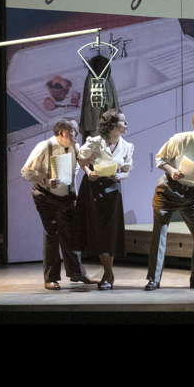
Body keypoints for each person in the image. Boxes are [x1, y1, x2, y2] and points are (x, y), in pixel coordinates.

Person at [144, 108, 194, 291]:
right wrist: (172, 171)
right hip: (168, 192)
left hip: (191, 194)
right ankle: (153, 279)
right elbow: (160, 159)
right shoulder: (180, 139)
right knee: (160, 233)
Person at [20, 119, 97, 290]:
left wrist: (89, 171)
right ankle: (50, 278)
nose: (76, 136)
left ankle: (77, 273)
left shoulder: (74, 146)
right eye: (73, 132)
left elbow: (81, 162)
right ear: (62, 132)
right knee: (52, 235)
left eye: (77, 132)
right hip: (46, 196)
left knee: (71, 235)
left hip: (66, 197)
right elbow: (26, 172)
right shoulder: (44, 147)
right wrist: (46, 180)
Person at [76, 109, 133, 290]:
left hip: (113, 189)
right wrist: (89, 172)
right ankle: (108, 274)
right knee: (99, 231)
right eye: (123, 122)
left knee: (111, 231)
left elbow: (127, 171)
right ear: (112, 126)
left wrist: (119, 177)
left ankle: (108, 274)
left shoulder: (127, 146)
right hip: (94, 187)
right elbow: (80, 158)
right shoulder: (95, 141)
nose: (126, 125)